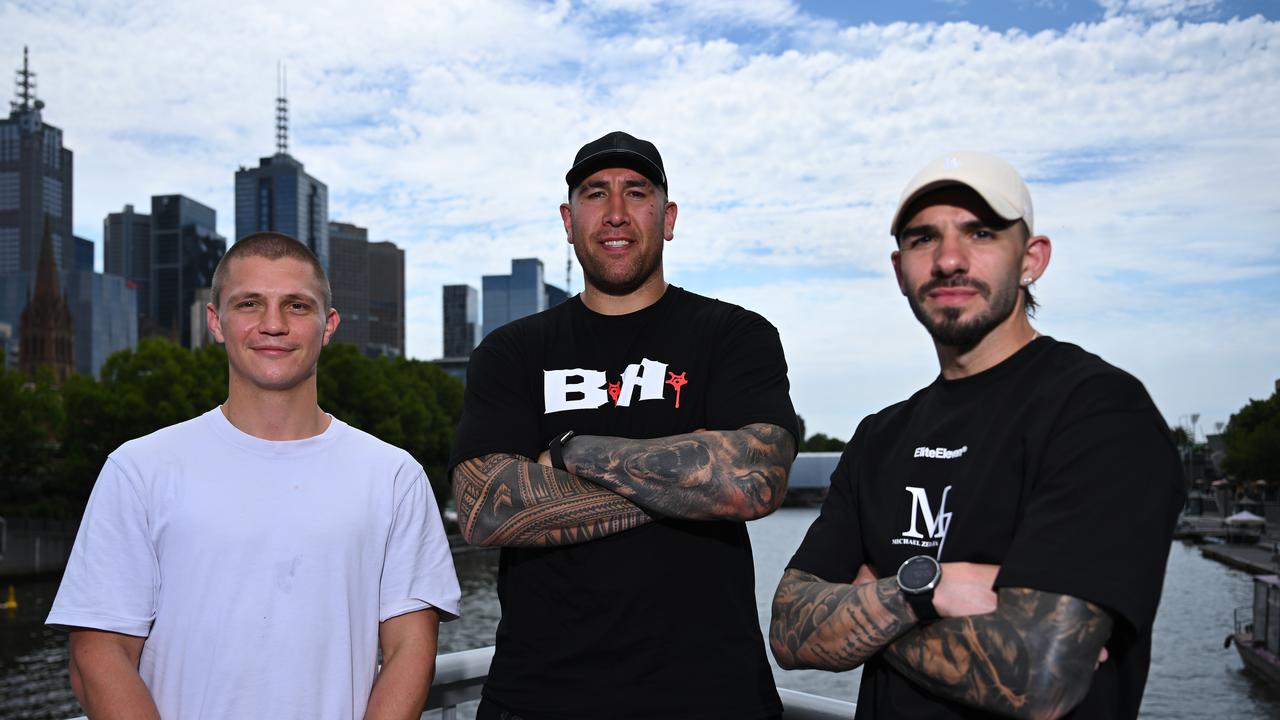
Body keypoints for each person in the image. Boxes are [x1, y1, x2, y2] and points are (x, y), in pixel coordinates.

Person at [769, 152, 1184, 719]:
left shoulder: (1100, 413)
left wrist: (866, 609)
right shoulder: (880, 437)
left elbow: (1041, 673)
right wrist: (927, 588)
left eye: (980, 233)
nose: (948, 260)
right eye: (922, 239)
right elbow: (790, 628)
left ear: (1032, 259)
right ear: (899, 270)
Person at [450, 131, 799, 720]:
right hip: (539, 700)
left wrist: (566, 452)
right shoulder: (511, 351)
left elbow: (753, 477)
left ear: (668, 218)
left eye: (636, 193)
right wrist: (691, 483)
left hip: (713, 699)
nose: (615, 213)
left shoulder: (735, 336)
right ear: (568, 220)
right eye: (595, 194)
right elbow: (485, 507)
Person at [47, 232, 461, 720]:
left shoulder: (394, 476)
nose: (273, 325)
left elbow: (411, 649)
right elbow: (98, 653)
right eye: (249, 304)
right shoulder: (139, 468)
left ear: (328, 325)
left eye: (297, 307)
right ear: (215, 322)